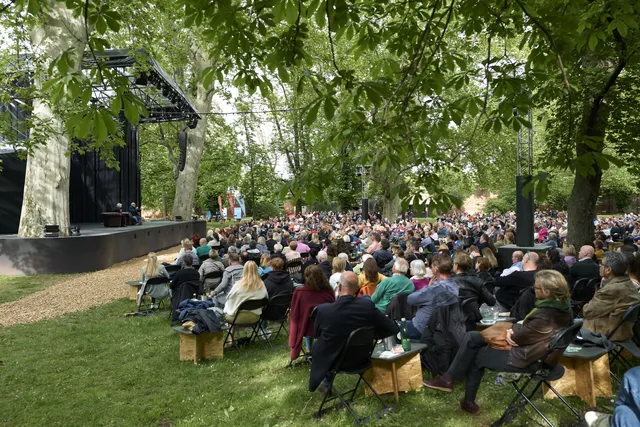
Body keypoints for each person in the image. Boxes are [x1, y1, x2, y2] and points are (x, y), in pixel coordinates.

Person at [424, 269, 572, 415]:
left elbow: (517, 338)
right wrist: (514, 331)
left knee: (475, 356)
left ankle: (461, 394)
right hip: (538, 353)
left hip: (527, 358)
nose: (534, 289)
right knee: (472, 337)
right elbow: (526, 332)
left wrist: (511, 333)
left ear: (547, 292)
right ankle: (449, 379)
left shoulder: (545, 315)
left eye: (537, 287)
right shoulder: (563, 308)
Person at [309, 271, 398, 393]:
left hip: (335, 361)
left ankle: (326, 385)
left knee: (320, 346)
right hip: (362, 358)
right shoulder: (367, 307)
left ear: (339, 286)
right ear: (357, 288)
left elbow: (318, 334)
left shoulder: (324, 310)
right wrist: (374, 334)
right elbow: (391, 327)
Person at [583, 251, 640, 341]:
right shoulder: (628, 283)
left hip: (609, 332)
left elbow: (587, 311)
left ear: (608, 270)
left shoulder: (611, 290)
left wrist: (601, 288)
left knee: (571, 327)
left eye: (601, 264)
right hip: (623, 330)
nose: (599, 266)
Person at [406, 254, 459, 339]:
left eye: (431, 266)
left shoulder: (433, 289)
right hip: (448, 327)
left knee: (396, 328)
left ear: (435, 269)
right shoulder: (457, 285)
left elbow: (410, 299)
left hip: (424, 328)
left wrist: (428, 287)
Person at [288, 266, 336, 361]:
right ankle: (313, 349)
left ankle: (308, 349)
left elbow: (295, 313)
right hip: (326, 327)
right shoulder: (329, 292)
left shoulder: (300, 293)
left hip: (306, 328)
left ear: (306, 277)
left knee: (306, 320)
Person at [453, 252, 496, 330]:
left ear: (456, 266)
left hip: (452, 322)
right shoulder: (477, 281)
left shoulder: (448, 283)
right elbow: (491, 301)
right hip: (471, 322)